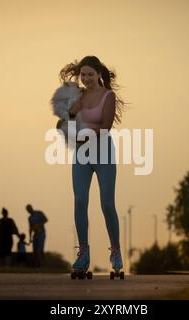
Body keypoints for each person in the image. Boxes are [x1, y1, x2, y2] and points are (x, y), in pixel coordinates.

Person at [59, 56, 126, 274]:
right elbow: (67, 120)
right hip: (82, 155)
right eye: (83, 75)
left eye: (90, 74)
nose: (86, 78)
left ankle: (115, 251)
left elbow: (105, 127)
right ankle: (84, 253)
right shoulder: (77, 96)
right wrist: (62, 125)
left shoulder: (108, 96)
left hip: (104, 154)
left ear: (98, 74)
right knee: (80, 200)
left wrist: (81, 136)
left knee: (107, 203)